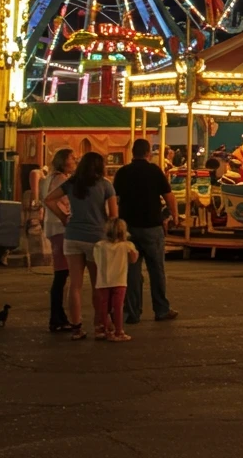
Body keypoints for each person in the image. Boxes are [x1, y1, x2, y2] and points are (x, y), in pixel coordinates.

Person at [42, 151, 116, 341]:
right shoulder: (106, 185)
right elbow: (114, 215)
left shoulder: (72, 183)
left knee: (74, 285)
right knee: (96, 284)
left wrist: (64, 217)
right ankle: (100, 326)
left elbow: (49, 200)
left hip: (72, 237)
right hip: (95, 238)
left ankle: (76, 327)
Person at [112, 138, 180, 326]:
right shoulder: (154, 171)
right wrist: (175, 216)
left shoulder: (123, 172)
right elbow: (169, 196)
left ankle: (132, 312)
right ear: (148, 153)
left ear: (132, 152)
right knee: (156, 269)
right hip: (151, 226)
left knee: (132, 272)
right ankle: (161, 309)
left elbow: (113, 198)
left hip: (128, 227)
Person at [41, 149, 76, 332]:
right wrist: (64, 217)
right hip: (60, 228)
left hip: (52, 227)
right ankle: (56, 317)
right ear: (63, 161)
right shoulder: (62, 180)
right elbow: (53, 201)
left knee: (61, 274)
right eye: (71, 157)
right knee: (62, 274)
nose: (74, 160)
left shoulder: (48, 178)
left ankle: (59, 315)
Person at [92, 218, 139, 342]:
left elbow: (96, 261)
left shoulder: (99, 245)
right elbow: (134, 260)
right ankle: (119, 331)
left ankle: (106, 329)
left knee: (104, 306)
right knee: (118, 306)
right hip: (119, 280)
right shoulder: (128, 246)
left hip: (103, 280)